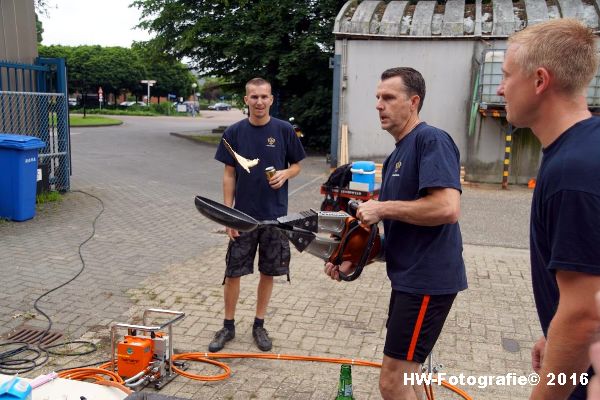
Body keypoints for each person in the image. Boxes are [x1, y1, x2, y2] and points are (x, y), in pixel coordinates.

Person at [325, 67, 467, 400]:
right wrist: (352, 259)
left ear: (413, 102)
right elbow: (398, 236)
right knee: (409, 376)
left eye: (388, 97)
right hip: (408, 280)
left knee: (392, 381)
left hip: (427, 281)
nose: (379, 105)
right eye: (377, 98)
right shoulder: (394, 158)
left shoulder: (431, 140)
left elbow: (447, 208)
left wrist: (383, 208)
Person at [496, 18, 600, 400]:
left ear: (540, 81)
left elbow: (585, 313)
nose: (500, 88)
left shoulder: (574, 172)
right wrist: (555, 334)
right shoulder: (587, 148)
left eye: (507, 76)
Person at [210, 77, 306, 352]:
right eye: (254, 97)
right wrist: (228, 214)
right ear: (246, 100)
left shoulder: (285, 130)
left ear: (271, 99)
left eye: (264, 97)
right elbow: (229, 174)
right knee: (233, 272)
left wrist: (286, 173)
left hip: (274, 217)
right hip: (242, 217)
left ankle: (259, 325)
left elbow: (298, 165)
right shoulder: (234, 132)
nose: (259, 102)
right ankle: (228, 326)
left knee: (268, 272)